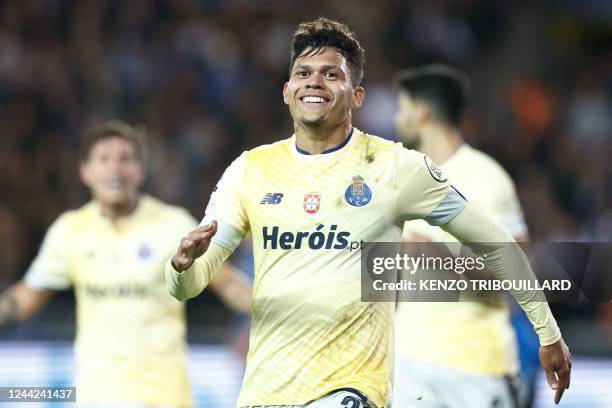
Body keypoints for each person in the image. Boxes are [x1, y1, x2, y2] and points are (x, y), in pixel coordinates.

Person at [166, 18, 571, 408]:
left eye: (331, 74)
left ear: (356, 95)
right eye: (304, 73)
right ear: (287, 90)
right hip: (264, 392)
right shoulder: (249, 170)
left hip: (352, 390)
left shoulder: (397, 168)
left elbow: (498, 246)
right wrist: (182, 266)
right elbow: (187, 285)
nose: (314, 82)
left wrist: (547, 332)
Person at [0, 120, 252, 407]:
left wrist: (283, 306)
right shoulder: (70, 230)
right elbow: (26, 296)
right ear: (85, 171)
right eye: (104, 159)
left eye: (125, 159)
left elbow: (228, 283)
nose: (115, 169)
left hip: (165, 398)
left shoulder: (172, 224)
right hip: (98, 397)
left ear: (140, 171)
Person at [392, 64, 536, 407]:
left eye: (402, 108)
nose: (396, 118)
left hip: (476, 368)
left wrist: (435, 254)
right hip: (408, 364)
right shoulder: (397, 177)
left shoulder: (488, 179)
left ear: (421, 112)